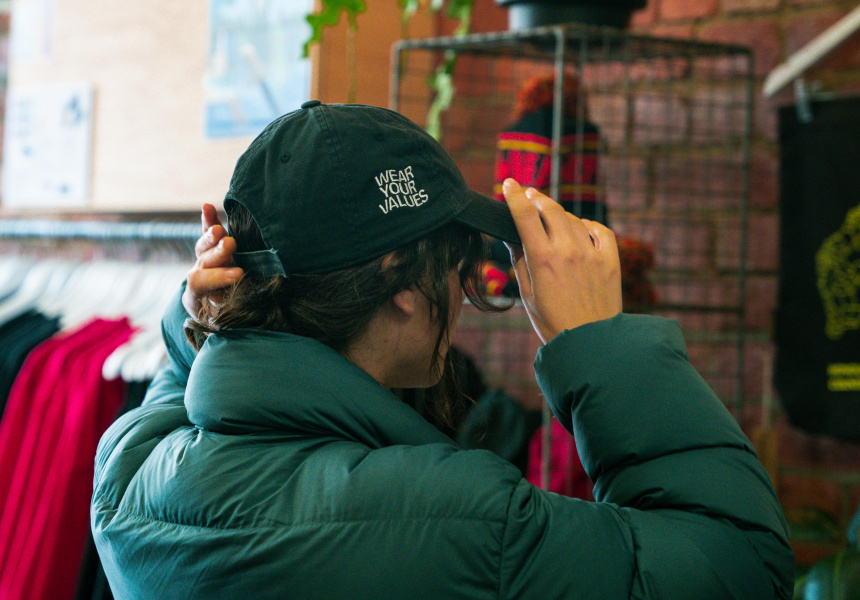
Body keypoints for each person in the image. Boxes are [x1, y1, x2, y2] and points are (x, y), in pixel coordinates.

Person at [91, 101, 793, 599]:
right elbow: (742, 565)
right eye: (458, 265)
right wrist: (599, 345)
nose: (462, 294)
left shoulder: (129, 474)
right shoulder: (463, 522)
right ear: (401, 279)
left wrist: (197, 320)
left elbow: (180, 393)